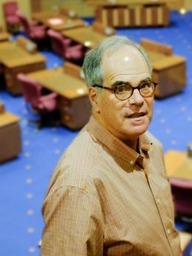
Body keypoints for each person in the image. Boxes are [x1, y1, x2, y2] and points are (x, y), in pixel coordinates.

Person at [40, 35, 182, 255]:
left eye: (144, 85)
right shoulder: (78, 186)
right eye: (121, 89)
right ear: (94, 97)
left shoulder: (153, 145)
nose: (137, 99)